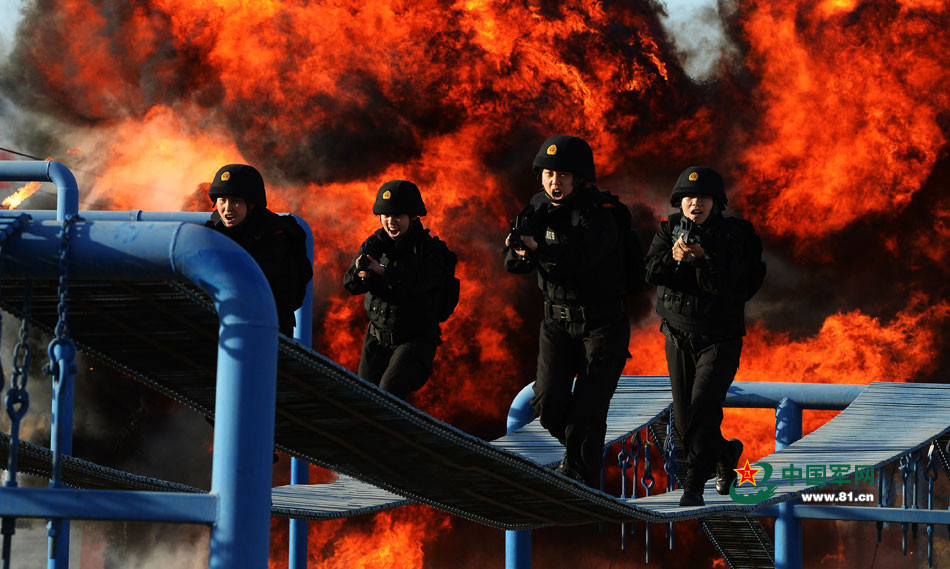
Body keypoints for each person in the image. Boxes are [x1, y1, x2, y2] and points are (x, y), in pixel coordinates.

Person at [504, 135, 632, 487]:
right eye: (548, 175)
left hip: (602, 325)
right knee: (548, 404)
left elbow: (580, 259)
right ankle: (583, 458)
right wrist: (520, 252)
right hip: (557, 323)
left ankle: (579, 473)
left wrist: (539, 249)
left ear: (578, 178)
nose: (554, 182)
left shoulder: (601, 215)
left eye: (562, 175)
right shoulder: (534, 210)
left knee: (588, 408)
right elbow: (513, 264)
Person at [644, 166, 759, 507]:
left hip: (718, 340)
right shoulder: (668, 231)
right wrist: (674, 257)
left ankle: (693, 486)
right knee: (684, 420)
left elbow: (740, 287)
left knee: (702, 411)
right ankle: (725, 453)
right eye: (689, 198)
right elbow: (649, 271)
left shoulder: (736, 236)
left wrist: (703, 260)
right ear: (680, 202)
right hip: (678, 336)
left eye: (704, 198)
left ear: (716, 202)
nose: (696, 204)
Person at [343, 180, 449, 400]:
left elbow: (419, 282)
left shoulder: (429, 250)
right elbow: (349, 284)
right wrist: (360, 274)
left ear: (412, 217)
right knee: (364, 397)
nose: (391, 222)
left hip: (414, 340)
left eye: (398, 216)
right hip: (376, 338)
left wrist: (383, 271)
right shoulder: (374, 244)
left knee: (389, 393)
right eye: (386, 216)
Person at [205, 163, 313, 337]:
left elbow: (284, 290)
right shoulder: (212, 231)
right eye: (222, 201)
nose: (227, 209)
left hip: (269, 327)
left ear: (252, 204)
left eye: (236, 201)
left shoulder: (275, 236)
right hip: (224, 324)